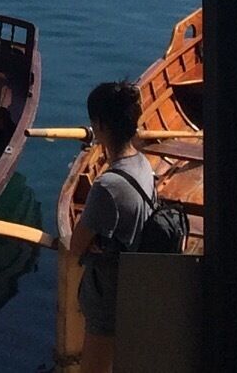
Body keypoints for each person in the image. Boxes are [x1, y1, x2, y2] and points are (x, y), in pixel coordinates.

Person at [71, 78, 160, 373]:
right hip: (136, 287)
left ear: (100, 125)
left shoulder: (107, 186)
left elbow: (75, 246)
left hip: (108, 298)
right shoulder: (144, 165)